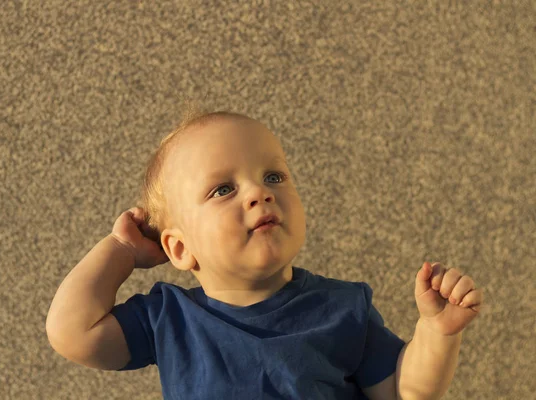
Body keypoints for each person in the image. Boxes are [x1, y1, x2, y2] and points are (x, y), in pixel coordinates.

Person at [46, 105, 483, 400]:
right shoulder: (169, 319)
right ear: (179, 248)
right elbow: (73, 333)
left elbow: (407, 391)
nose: (259, 192)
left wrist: (437, 331)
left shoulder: (343, 309)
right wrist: (121, 249)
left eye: (273, 176)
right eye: (223, 189)